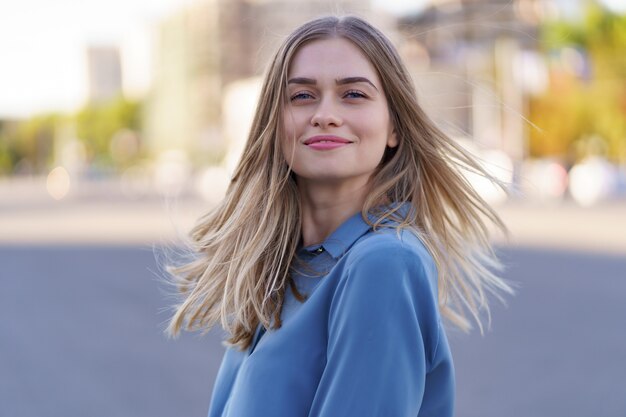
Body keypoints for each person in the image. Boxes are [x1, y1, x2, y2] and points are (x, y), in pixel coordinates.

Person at [166, 15, 513, 417]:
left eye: (353, 94)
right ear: (274, 126)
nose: (325, 114)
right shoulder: (278, 271)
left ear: (393, 128)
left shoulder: (384, 263)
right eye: (301, 96)